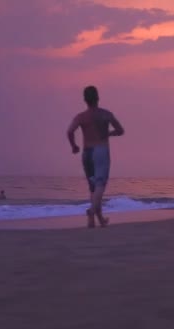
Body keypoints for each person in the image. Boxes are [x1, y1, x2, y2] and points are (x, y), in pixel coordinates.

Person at [67, 85, 125, 228]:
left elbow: (69, 131)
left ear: (85, 100)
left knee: (93, 187)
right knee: (100, 185)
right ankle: (92, 211)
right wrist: (109, 133)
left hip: (86, 152)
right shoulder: (105, 114)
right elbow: (120, 130)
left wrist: (74, 146)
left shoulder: (80, 117)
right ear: (98, 98)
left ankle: (96, 220)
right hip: (100, 151)